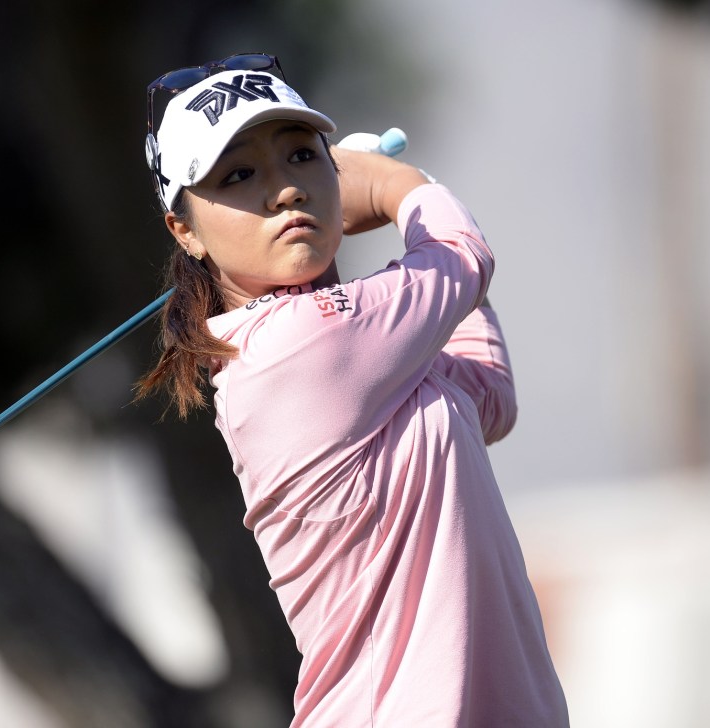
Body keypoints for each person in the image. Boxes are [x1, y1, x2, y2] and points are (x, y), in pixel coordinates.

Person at [137, 53, 569, 727]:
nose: (285, 190)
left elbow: (488, 396)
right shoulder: (295, 348)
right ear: (184, 229)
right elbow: (463, 256)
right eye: (240, 175)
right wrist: (402, 188)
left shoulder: (354, 354)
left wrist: (403, 209)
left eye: (303, 157)